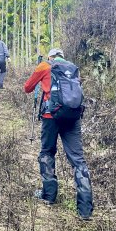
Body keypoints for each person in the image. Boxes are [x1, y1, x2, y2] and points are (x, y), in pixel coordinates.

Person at [24, 47, 93, 220]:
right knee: (78, 160)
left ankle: (49, 195)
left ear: (50, 56)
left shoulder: (44, 65)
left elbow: (27, 87)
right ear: (63, 56)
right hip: (73, 117)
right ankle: (85, 209)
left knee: (47, 152)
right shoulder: (73, 68)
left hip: (51, 116)